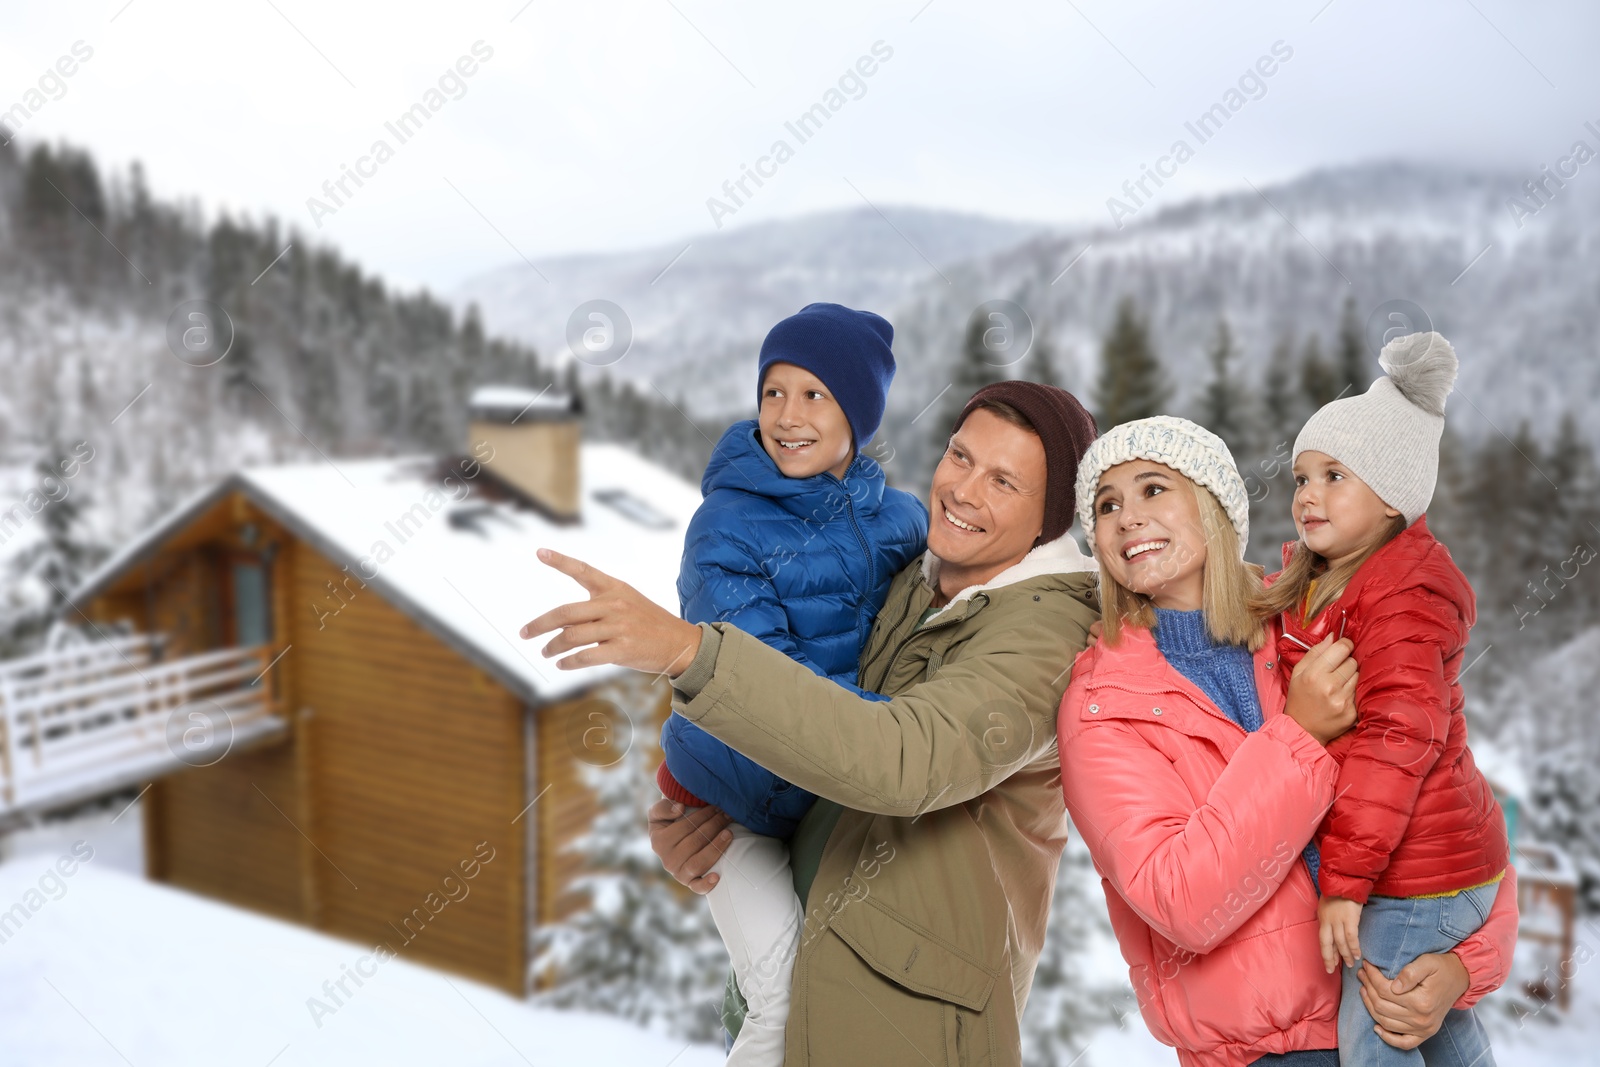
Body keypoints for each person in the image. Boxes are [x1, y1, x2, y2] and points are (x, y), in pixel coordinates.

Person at [523, 380, 1104, 1064]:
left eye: (1003, 481)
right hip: (813, 993)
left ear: (1050, 518)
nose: (964, 489)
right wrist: (718, 818)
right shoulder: (913, 579)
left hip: (910, 1031)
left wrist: (691, 652)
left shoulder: (1048, 638)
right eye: (960, 456)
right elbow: (820, 730)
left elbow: (900, 760)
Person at [1057, 415, 1518, 1067]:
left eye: (1152, 488)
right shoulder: (1101, 707)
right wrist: (1297, 734)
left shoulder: (1312, 626)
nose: (1127, 516)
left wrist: (1465, 965)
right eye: (1106, 505)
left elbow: (1444, 800)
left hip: (1400, 1013)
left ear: (1213, 503)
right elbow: (1181, 900)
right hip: (1269, 1053)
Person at [655, 302, 926, 1064]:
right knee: (782, 992)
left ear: (859, 416)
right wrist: (896, 741)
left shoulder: (896, 521)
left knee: (842, 997)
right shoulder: (727, 526)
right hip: (730, 806)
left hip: (820, 795)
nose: (787, 414)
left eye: (815, 394)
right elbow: (759, 679)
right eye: (774, 391)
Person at [1254, 332, 1509, 1065]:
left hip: (1418, 875)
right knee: (1437, 1024)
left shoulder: (1404, 598)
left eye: (1336, 475)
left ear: (1393, 495)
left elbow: (1400, 736)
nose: (1308, 494)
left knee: (1377, 1027)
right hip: (1440, 861)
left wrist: (1346, 885)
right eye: (1303, 477)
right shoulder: (1341, 579)